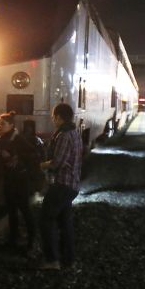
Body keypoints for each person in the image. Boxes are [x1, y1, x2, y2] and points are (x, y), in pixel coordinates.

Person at [39, 103, 82, 270]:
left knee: (45, 220)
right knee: (65, 223)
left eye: (53, 117)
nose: (53, 120)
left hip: (63, 185)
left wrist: (41, 165)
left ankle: (52, 260)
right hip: (72, 185)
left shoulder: (64, 135)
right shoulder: (75, 132)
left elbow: (57, 162)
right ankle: (68, 260)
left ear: (59, 117)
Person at [0, 112, 38, 253]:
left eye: (3, 124)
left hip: (20, 180)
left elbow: (33, 153)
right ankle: (13, 239)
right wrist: (0, 153)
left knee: (25, 210)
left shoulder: (18, 139)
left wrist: (16, 157)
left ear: (11, 125)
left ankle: (31, 241)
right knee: (11, 211)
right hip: (9, 180)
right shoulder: (1, 139)